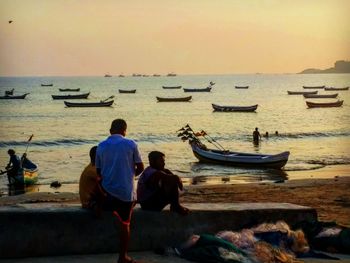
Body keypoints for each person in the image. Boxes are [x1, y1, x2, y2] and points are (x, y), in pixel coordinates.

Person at [96, 119, 144, 263]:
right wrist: (128, 176)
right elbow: (140, 167)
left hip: (106, 192)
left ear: (110, 130)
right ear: (124, 130)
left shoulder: (101, 145)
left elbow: (98, 171)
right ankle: (122, 256)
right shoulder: (131, 144)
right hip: (125, 192)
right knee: (125, 224)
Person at [79, 146, 104, 214]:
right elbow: (106, 182)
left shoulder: (90, 167)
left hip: (87, 201)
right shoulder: (93, 170)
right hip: (89, 202)